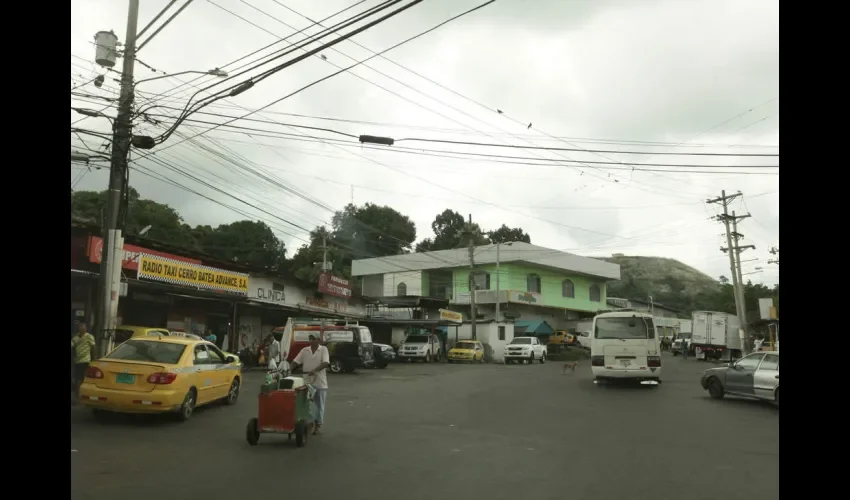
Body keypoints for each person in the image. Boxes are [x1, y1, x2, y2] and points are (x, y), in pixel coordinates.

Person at [291, 334, 330, 435]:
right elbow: (295, 362)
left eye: (313, 339)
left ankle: (318, 424)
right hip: (307, 382)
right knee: (308, 404)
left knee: (319, 405)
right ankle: (310, 423)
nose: (311, 341)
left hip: (320, 383)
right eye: (310, 339)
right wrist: (287, 369)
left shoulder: (323, 349)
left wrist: (315, 370)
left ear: (318, 340)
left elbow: (326, 363)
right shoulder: (305, 350)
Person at [71, 323, 97, 400]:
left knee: (84, 378)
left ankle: (83, 395)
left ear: (86, 328)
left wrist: (94, 359)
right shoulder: (75, 338)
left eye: (83, 327)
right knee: (78, 378)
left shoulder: (89, 337)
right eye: (80, 327)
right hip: (78, 361)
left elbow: (93, 348)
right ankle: (78, 395)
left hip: (86, 360)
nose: (81, 328)